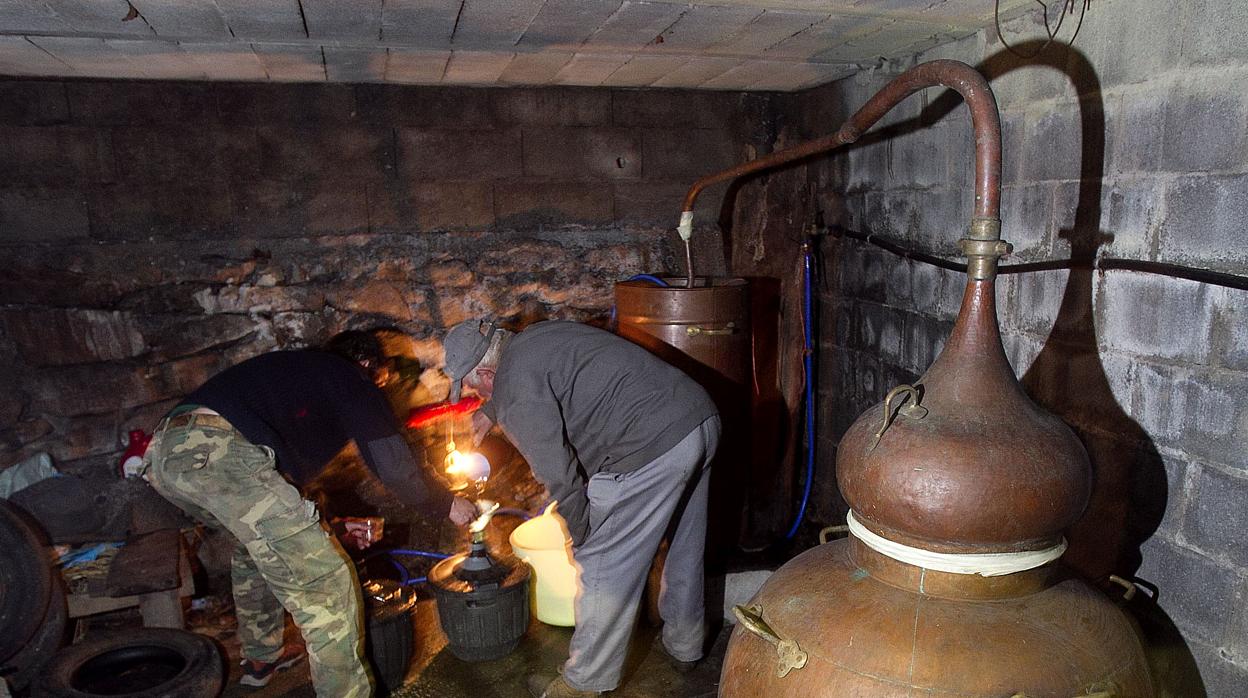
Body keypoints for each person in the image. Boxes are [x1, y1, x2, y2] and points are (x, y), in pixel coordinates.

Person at [145, 330, 476, 697]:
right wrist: (445, 503)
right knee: (328, 584)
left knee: (255, 551)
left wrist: (329, 525)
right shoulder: (348, 375)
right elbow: (393, 465)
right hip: (215, 448)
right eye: (384, 377)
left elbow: (278, 495)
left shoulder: (299, 381)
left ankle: (261, 658)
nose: (384, 387)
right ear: (369, 366)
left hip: (167, 456)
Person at [442, 319, 721, 698]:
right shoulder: (534, 337)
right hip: (697, 420)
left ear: (488, 372)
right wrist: (492, 411)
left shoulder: (515, 389)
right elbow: (547, 377)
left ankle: (584, 684)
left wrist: (582, 533)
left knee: (603, 564)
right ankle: (685, 644)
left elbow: (559, 474)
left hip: (648, 446)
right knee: (685, 544)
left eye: (474, 386)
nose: (475, 394)